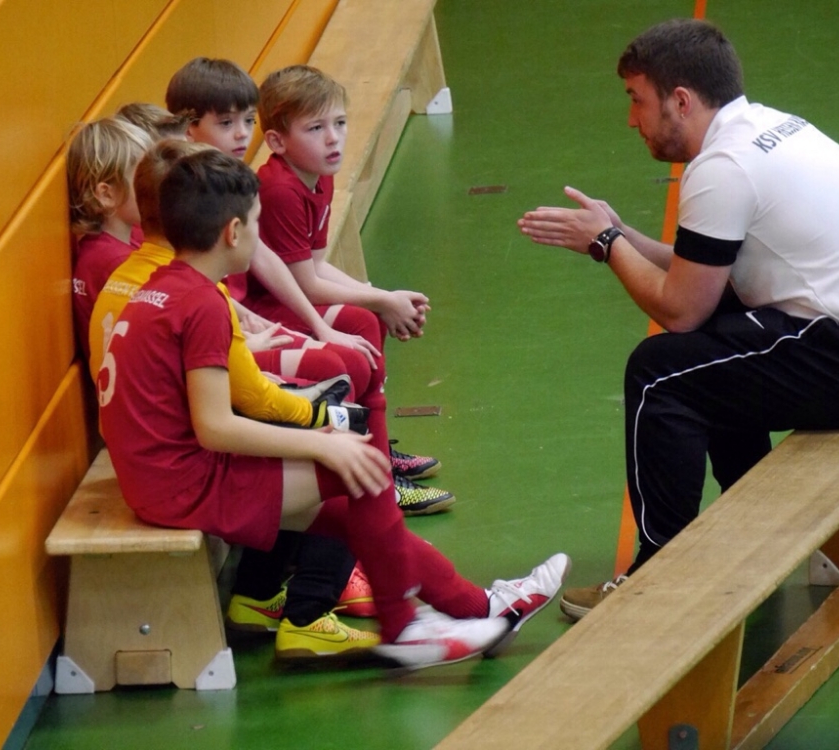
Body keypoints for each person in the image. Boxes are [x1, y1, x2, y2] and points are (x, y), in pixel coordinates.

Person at [517, 18, 839, 620]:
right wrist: (620, 234)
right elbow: (702, 273)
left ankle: (658, 575)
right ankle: (754, 531)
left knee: (660, 375)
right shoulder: (769, 128)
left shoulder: (723, 167)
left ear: (680, 101)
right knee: (710, 346)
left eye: (636, 100)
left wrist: (607, 244)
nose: (631, 120)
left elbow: (679, 309)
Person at [96, 147, 571, 669]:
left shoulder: (162, 286)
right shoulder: (202, 302)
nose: (259, 234)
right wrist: (321, 444)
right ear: (233, 232)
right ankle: (403, 627)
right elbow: (215, 427)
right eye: (256, 223)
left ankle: (483, 608)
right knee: (361, 467)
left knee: (350, 514)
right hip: (182, 484)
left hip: (154, 475)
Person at [90, 138, 377, 659]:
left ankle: (273, 594)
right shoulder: (194, 295)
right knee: (353, 453)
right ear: (230, 228)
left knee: (341, 446)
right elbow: (240, 408)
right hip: (177, 476)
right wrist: (320, 425)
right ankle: (316, 611)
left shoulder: (146, 279)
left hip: (149, 464)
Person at [166, 57, 451, 513]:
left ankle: (376, 452)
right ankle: (369, 470)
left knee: (363, 322)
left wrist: (377, 298)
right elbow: (291, 279)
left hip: (250, 315)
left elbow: (298, 264)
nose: (241, 134)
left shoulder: (292, 176)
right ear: (187, 128)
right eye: (226, 123)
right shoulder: (243, 189)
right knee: (345, 357)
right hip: (246, 320)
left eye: (247, 120)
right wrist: (344, 316)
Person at [67, 117, 152, 360]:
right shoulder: (113, 262)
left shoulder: (122, 242)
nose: (156, 187)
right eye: (143, 179)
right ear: (106, 194)